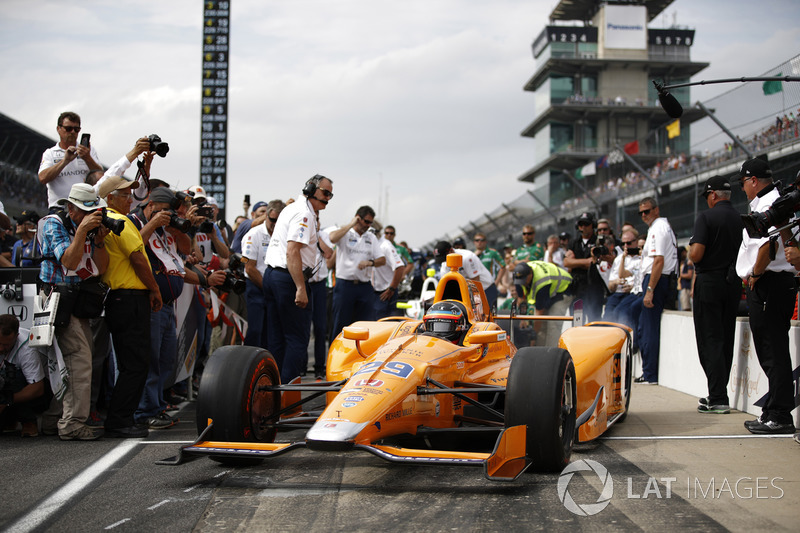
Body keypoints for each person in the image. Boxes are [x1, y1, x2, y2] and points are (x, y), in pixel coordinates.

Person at [38, 183, 109, 440]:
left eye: (95, 210)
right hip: (57, 298)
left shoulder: (88, 229)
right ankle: (72, 424)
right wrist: (81, 232)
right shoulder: (53, 223)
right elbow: (67, 261)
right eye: (85, 210)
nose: (92, 216)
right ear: (70, 208)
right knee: (77, 359)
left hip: (77, 299)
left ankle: (53, 420)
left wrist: (98, 241)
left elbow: (100, 269)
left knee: (72, 360)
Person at [735, 158, 796, 434]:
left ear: (753, 180)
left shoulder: (769, 203)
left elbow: (766, 248)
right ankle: (772, 409)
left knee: (773, 351)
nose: (742, 188)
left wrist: (755, 276)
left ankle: (780, 414)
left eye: (743, 183)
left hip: (770, 281)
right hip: (772, 281)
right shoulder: (772, 200)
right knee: (770, 349)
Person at [100, 180, 163, 437]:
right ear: (110, 198)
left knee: (132, 363)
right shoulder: (120, 221)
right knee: (135, 363)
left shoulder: (110, 219)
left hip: (120, 297)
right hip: (128, 297)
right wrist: (155, 289)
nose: (130, 199)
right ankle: (119, 420)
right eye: (124, 195)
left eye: (129, 195)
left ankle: (122, 417)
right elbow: (138, 258)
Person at [264, 174, 334, 382]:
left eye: (331, 194)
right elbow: (292, 251)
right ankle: (288, 400)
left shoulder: (293, 209)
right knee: (296, 339)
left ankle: (273, 393)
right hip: (288, 279)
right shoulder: (304, 213)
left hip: (274, 276)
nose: (328, 198)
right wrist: (301, 288)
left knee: (277, 339)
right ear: (312, 189)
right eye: (325, 192)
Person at [688, 175, 743, 415]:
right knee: (725, 337)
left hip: (709, 281)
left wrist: (691, 247)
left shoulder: (706, 217)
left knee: (709, 339)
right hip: (733, 282)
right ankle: (719, 392)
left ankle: (718, 396)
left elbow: (696, 254)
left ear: (713, 195)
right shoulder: (741, 218)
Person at [636, 197, 678, 385]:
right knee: (646, 327)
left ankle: (650, 373)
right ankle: (649, 372)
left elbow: (658, 261)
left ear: (656, 210)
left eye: (647, 211)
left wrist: (650, 289)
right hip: (659, 279)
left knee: (649, 329)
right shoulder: (660, 227)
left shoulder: (658, 228)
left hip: (656, 280)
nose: (644, 215)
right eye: (641, 212)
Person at [328, 205, 385, 341]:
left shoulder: (370, 237)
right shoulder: (345, 233)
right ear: (358, 219)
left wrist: (370, 263)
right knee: (340, 324)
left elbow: (382, 260)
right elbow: (332, 238)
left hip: (364, 286)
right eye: (366, 221)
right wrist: (350, 224)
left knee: (365, 325)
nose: (368, 225)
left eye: (370, 222)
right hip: (345, 286)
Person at [242, 199, 285, 348]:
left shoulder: (283, 235)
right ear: (266, 216)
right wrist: (267, 288)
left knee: (272, 333)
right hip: (256, 287)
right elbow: (249, 268)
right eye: (272, 219)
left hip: (276, 289)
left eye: (279, 221)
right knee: (255, 330)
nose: (274, 224)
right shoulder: (253, 235)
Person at [38, 112, 103, 209]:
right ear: (58, 129)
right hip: (59, 207)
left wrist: (87, 158)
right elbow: (43, 178)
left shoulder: (89, 150)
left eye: (76, 129)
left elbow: (102, 177)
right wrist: (65, 161)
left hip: (85, 206)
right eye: (68, 129)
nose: (72, 132)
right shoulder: (50, 153)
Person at [0, 314, 47, 438]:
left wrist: (5, 401)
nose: (1, 348)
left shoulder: (27, 348)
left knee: (11, 376)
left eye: (6, 345)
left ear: (16, 336)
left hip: (38, 391)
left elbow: (38, 388)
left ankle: (28, 421)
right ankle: (9, 420)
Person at [512, 261, 573, 347]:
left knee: (553, 324)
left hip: (563, 290)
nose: (523, 283)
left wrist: (533, 335)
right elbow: (521, 299)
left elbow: (539, 315)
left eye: (524, 281)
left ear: (530, 274)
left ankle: (551, 354)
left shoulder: (542, 281)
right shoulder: (519, 276)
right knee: (543, 326)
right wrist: (523, 319)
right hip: (550, 292)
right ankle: (539, 351)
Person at [563, 212, 610, 323]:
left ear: (592, 225)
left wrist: (576, 262)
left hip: (594, 288)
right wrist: (585, 262)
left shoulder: (598, 241)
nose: (583, 227)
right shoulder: (574, 243)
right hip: (577, 289)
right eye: (581, 224)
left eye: (586, 224)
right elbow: (566, 262)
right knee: (577, 322)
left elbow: (593, 262)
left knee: (594, 322)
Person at [603, 229, 640, 324]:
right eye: (623, 244)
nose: (626, 246)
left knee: (621, 314)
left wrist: (633, 287)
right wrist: (616, 282)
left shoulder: (642, 258)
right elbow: (611, 286)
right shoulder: (618, 259)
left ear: (636, 242)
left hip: (633, 294)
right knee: (607, 318)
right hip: (618, 293)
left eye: (628, 243)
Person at [372, 224, 405, 319]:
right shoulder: (371, 243)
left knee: (384, 324)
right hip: (372, 291)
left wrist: (392, 288)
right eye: (387, 233)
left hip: (384, 292)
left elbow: (400, 267)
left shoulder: (386, 245)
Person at [474, 232, 506, 305]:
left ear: (485, 242)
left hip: (490, 286)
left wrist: (497, 282)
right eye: (477, 240)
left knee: (491, 312)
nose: (479, 242)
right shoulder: (472, 255)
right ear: (474, 242)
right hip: (477, 289)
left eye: (481, 240)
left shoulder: (492, 253)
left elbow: (503, 266)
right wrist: (475, 255)